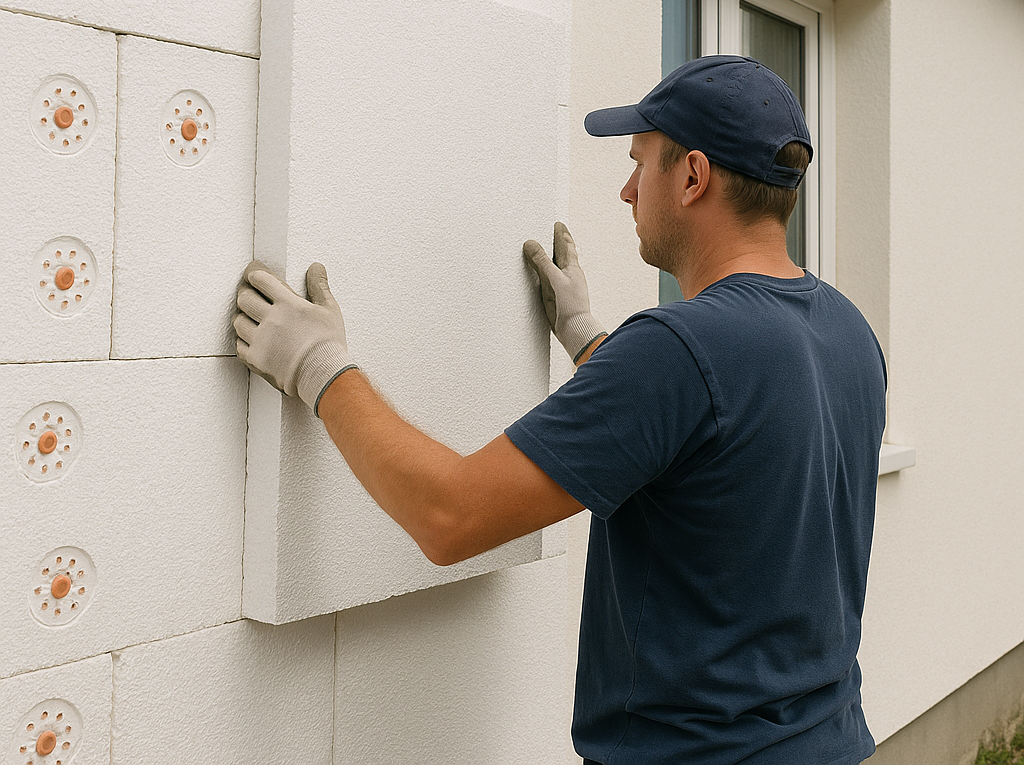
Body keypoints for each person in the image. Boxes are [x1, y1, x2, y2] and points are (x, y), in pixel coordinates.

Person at [234, 54, 887, 765]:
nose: (627, 190)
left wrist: (318, 364)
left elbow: (450, 517)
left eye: (642, 165)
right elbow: (716, 437)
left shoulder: (678, 349)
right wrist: (585, 335)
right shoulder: (847, 332)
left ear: (693, 177)